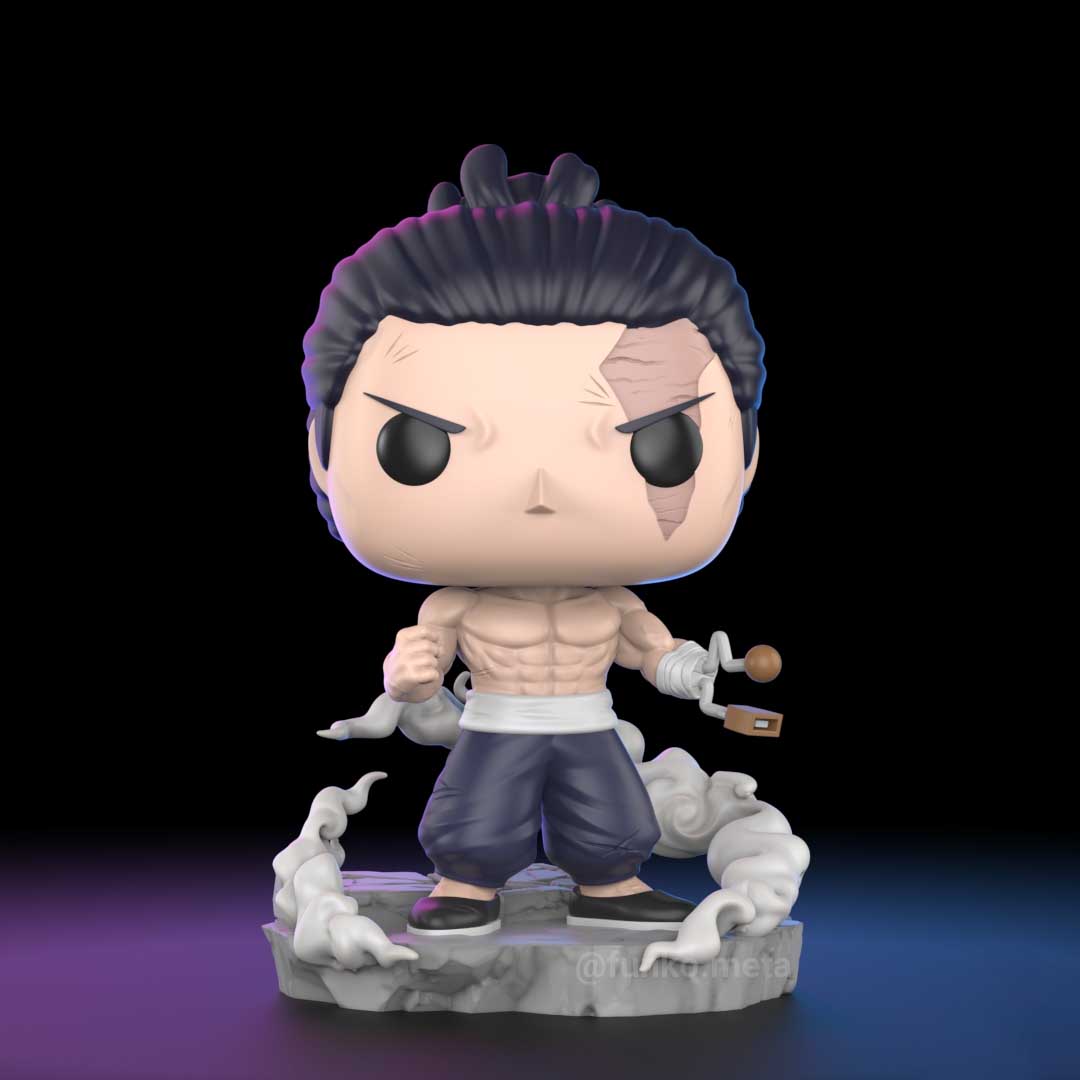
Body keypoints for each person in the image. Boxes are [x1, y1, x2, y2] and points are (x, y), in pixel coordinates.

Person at [301, 144, 765, 935]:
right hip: (496, 724)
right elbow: (419, 662)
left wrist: (690, 670)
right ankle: (465, 886)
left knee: (612, 817)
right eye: (420, 444)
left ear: (747, 456)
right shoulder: (456, 606)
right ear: (321, 453)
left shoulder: (613, 605)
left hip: (588, 720)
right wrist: (407, 677)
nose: (542, 491)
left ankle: (611, 886)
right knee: (474, 817)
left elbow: (652, 650)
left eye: (661, 446)